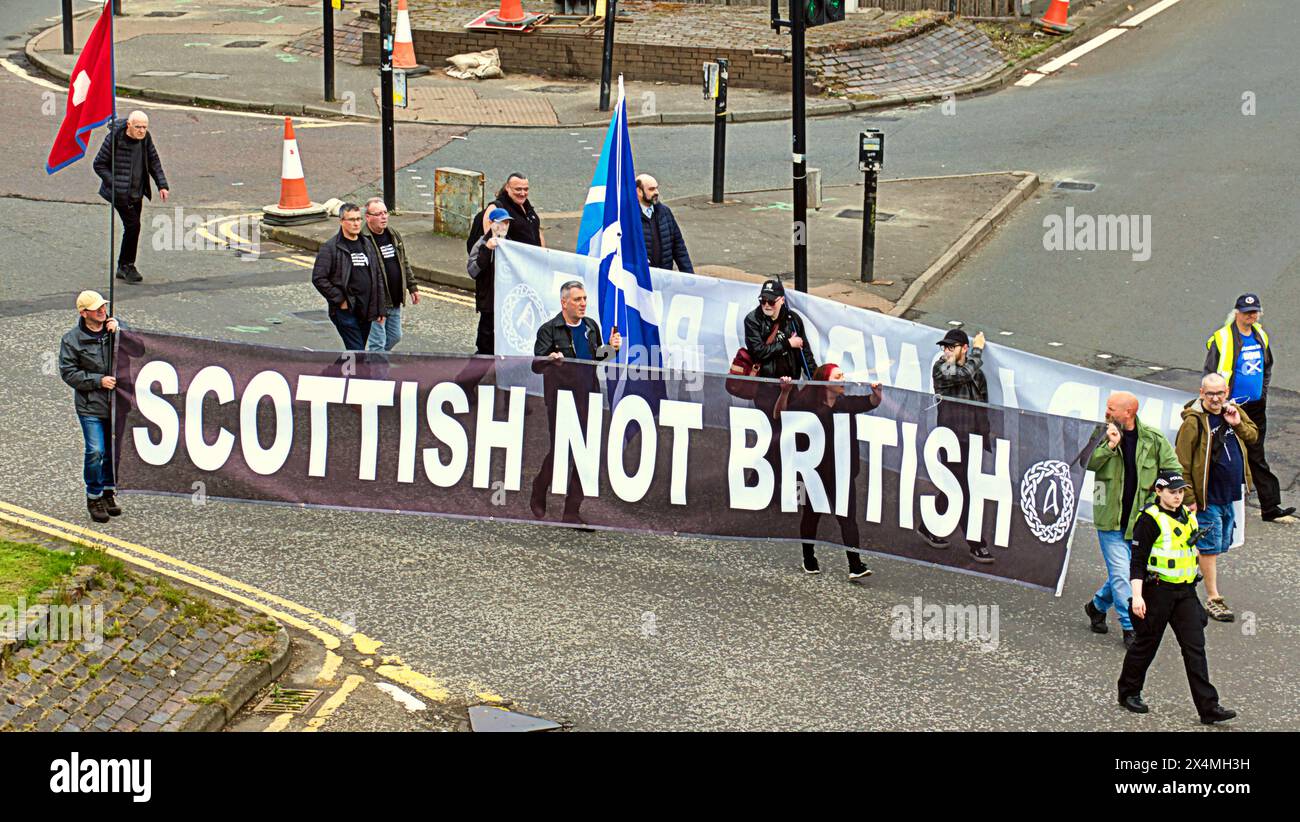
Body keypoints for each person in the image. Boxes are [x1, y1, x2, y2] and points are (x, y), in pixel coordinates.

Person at [1117, 470, 1237, 725]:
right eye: (1172, 492)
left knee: (1195, 648)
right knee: (1146, 644)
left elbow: (1190, 551)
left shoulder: (1187, 516)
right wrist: (1137, 597)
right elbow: (1137, 562)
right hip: (1157, 591)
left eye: (1181, 492)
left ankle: (1209, 707)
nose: (1177, 496)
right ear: (1159, 492)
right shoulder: (1149, 519)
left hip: (1184, 592)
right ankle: (1128, 692)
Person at [1084, 391, 1182, 649]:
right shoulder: (1100, 433)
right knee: (1121, 574)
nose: (1107, 412)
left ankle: (1096, 607)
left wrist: (1166, 495)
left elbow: (1173, 470)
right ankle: (1131, 628)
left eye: (1112, 408)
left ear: (1129, 413)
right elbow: (1087, 463)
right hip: (1110, 520)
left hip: (1140, 521)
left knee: (1127, 572)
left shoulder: (1152, 438)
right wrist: (1110, 446)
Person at [774, 364, 882, 581]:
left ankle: (855, 564)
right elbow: (781, 414)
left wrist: (876, 393)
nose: (843, 379)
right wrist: (785, 392)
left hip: (842, 471)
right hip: (815, 471)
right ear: (825, 382)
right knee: (812, 514)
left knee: (848, 517)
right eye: (838, 376)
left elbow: (871, 402)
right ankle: (809, 556)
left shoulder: (845, 403)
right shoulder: (807, 404)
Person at [530, 281, 620, 526]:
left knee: (585, 452)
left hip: (587, 396)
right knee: (561, 450)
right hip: (561, 398)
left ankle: (572, 509)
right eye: (578, 299)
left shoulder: (591, 327)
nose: (583, 304)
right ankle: (540, 487)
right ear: (564, 303)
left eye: (584, 299)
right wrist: (549, 359)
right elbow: (535, 365)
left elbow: (596, 358)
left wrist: (611, 350)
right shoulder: (549, 330)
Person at [1175, 373, 1259, 623]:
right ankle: (1213, 598)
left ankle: (1186, 573)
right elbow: (1182, 462)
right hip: (1206, 498)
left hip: (1229, 495)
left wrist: (1237, 423)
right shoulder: (1193, 422)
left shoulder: (1233, 410)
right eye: (1210, 394)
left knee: (1219, 545)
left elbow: (1253, 436)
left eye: (1219, 393)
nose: (1215, 398)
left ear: (1227, 392)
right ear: (1201, 393)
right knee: (1209, 548)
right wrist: (1189, 497)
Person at [1203, 293, 1294, 524]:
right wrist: (1218, 402)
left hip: (1254, 407)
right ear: (1237, 313)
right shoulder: (1222, 338)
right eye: (1246, 312)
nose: (1250, 316)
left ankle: (1270, 506)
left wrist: (1262, 393)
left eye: (1254, 312)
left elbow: (1267, 366)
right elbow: (1210, 372)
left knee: (1256, 453)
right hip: (1228, 406)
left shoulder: (1260, 335)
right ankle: (1211, 501)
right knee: (1219, 454)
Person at [923, 328, 994, 564]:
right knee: (962, 489)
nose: (945, 351)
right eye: (944, 347)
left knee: (953, 487)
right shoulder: (942, 368)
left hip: (971, 439)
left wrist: (984, 435)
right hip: (951, 440)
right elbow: (962, 374)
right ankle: (976, 543)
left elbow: (982, 405)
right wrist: (977, 350)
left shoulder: (976, 373)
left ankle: (928, 525)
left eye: (951, 347)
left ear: (962, 348)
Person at [59, 291, 122, 523]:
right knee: (96, 451)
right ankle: (93, 496)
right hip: (90, 407)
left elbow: (138, 348)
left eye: (103, 306)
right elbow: (68, 373)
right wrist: (98, 381)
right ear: (84, 313)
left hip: (116, 405)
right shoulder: (71, 340)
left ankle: (108, 491)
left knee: (113, 452)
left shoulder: (113, 330)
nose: (102, 310)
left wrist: (122, 329)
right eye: (96, 308)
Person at [93, 110, 169, 283]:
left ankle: (124, 265)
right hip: (120, 194)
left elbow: (153, 161)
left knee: (133, 227)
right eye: (138, 127)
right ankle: (127, 265)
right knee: (133, 226)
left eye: (144, 127)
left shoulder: (145, 139)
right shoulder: (114, 139)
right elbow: (98, 164)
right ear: (129, 125)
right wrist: (114, 183)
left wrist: (162, 185)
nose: (141, 131)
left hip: (137, 191)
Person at [311, 203, 384, 351]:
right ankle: (347, 373)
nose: (356, 223)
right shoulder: (331, 248)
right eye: (351, 220)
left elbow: (377, 276)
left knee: (356, 351)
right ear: (341, 221)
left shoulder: (367, 244)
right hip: (345, 311)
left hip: (365, 309)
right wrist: (340, 299)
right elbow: (319, 278)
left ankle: (334, 372)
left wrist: (380, 308)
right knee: (357, 351)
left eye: (358, 219)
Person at [744, 279, 816, 415]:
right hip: (765, 387)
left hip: (791, 385)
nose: (766, 305)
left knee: (792, 425)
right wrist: (788, 343)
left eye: (771, 301)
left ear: (782, 300)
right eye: (763, 301)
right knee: (770, 428)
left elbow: (806, 354)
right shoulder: (752, 320)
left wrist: (817, 381)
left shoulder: (793, 319)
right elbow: (758, 352)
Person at [361, 197, 419, 352]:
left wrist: (412, 286)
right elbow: (362, 277)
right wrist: (374, 306)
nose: (384, 216)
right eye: (378, 214)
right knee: (378, 343)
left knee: (395, 336)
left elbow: (403, 261)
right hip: (376, 302)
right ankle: (376, 372)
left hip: (394, 299)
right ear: (368, 217)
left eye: (385, 212)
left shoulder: (393, 234)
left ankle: (371, 362)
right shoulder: (362, 240)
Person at [467, 207, 512, 355]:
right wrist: (487, 250)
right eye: (501, 222)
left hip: (505, 302)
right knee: (485, 340)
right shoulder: (481, 244)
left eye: (507, 223)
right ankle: (475, 374)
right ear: (491, 223)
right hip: (488, 301)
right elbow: (473, 271)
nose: (504, 226)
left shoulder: (511, 245)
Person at [636, 173, 693, 272]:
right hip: (640, 280)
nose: (656, 192)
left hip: (664, 277)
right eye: (651, 189)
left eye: (656, 188)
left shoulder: (665, 212)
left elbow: (679, 247)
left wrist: (689, 276)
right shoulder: (628, 217)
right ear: (639, 191)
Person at [474, 173, 544, 250]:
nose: (523, 193)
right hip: (514, 260)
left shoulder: (526, 205)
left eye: (526, 189)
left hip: (534, 258)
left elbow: (536, 230)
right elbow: (490, 243)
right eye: (518, 189)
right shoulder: (496, 208)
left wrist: (543, 255)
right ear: (507, 187)